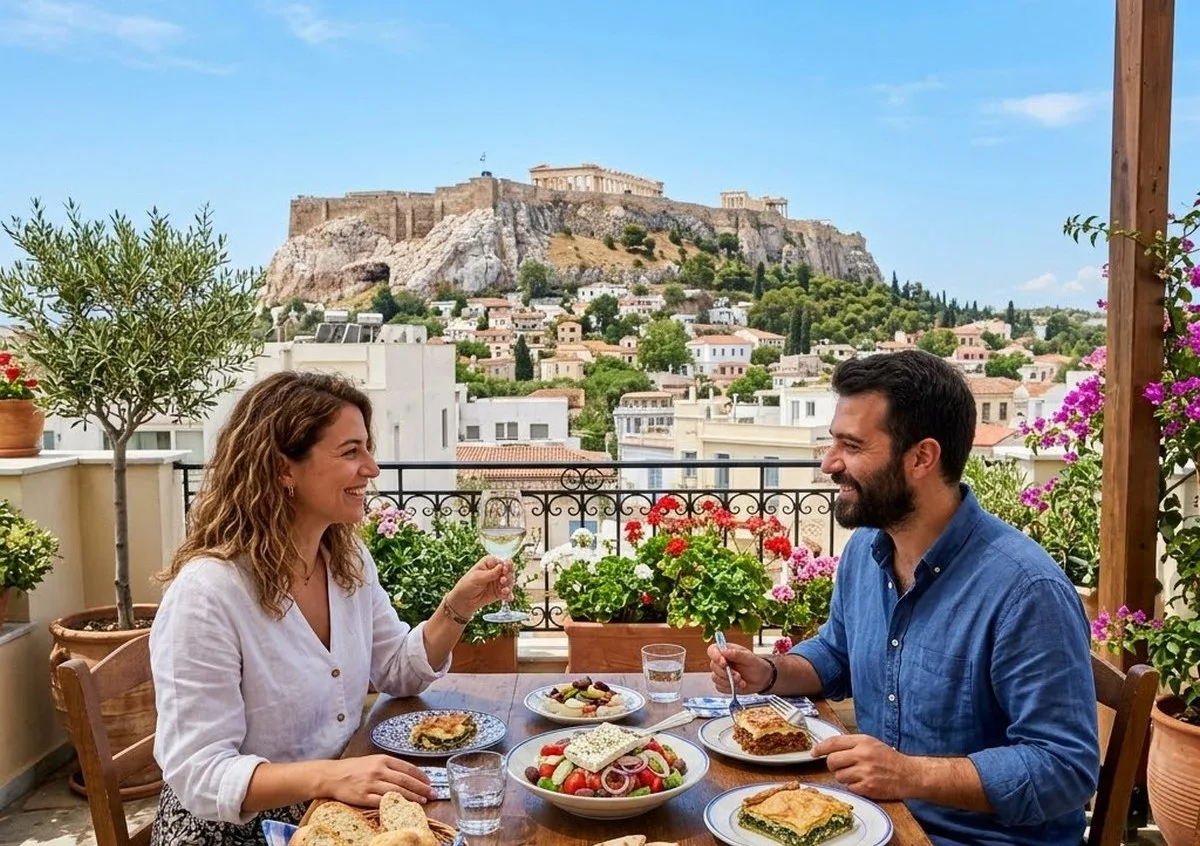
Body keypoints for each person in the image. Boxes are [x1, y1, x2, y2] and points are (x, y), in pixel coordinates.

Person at [708, 350, 1099, 846]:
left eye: (851, 446)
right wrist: (770, 672)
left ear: (921, 458)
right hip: (874, 820)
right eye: (833, 442)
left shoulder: (1025, 591)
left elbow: (1065, 767)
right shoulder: (866, 552)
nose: (829, 463)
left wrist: (909, 774)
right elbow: (836, 653)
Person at [148, 371, 514, 845]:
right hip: (231, 833)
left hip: (336, 812)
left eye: (366, 448)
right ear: (284, 469)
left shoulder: (345, 560)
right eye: (350, 452)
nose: (372, 468)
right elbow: (199, 773)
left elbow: (397, 671)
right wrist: (330, 777)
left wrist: (457, 606)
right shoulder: (208, 594)